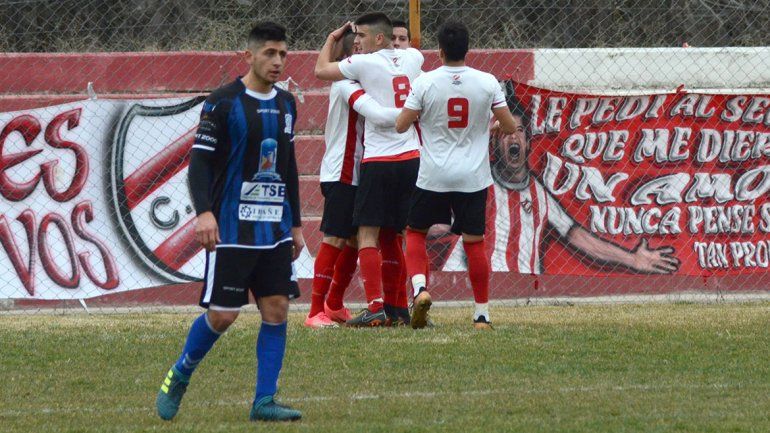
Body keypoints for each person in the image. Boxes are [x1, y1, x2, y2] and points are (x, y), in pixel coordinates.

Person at [155, 22, 303, 422]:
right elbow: (199, 163)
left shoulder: (288, 104)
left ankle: (264, 401)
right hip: (233, 228)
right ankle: (179, 374)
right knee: (223, 315)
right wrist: (204, 212)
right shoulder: (221, 103)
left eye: (283, 54)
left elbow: (288, 168)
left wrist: (296, 224)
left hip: (274, 229)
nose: (277, 61)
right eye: (269, 53)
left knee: (276, 309)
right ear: (249, 56)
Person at [441, 81, 681, 311]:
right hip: (473, 288)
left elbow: (578, 236)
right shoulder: (479, 182)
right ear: (495, 142)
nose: (513, 137)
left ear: (527, 142)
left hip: (522, 294)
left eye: (519, 131)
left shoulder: (539, 195)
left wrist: (632, 259)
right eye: (505, 132)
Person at [395, 21, 516, 329]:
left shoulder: (425, 83)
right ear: (467, 49)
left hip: (433, 173)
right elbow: (510, 126)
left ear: (440, 51)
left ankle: (420, 289)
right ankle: (481, 315)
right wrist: (492, 124)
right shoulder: (487, 82)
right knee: (474, 242)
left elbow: (401, 124)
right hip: (472, 177)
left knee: (415, 232)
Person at [315, 13, 424, 327]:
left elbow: (321, 69)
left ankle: (373, 306)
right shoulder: (414, 58)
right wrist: (412, 115)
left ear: (378, 39)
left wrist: (331, 40)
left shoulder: (361, 66)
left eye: (361, 35)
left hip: (376, 162)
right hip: (412, 158)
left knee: (366, 235)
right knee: (401, 235)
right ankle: (399, 307)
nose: (357, 41)